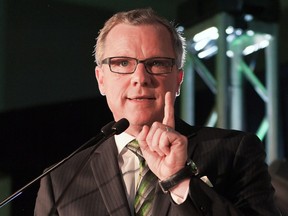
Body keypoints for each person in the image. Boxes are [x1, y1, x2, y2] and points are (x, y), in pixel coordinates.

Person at [34, 8, 280, 215]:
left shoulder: (235, 152)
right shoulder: (60, 181)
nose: (140, 78)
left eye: (157, 64)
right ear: (101, 80)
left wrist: (180, 180)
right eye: (122, 63)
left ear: (178, 80)